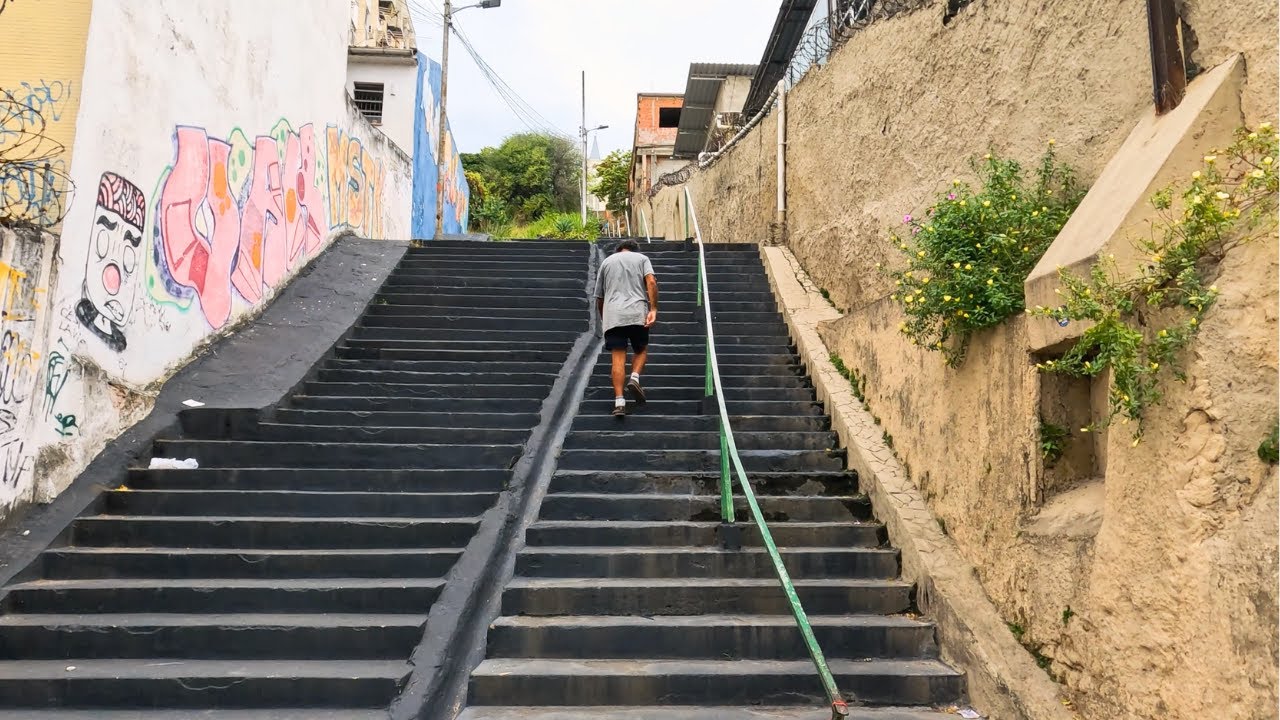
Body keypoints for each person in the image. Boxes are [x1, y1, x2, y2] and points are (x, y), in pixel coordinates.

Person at [595, 239, 658, 417]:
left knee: (618, 357)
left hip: (613, 315)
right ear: (634, 250)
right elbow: (651, 282)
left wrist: (604, 318)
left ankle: (620, 402)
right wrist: (653, 308)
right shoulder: (642, 258)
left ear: (618, 250)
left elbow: (599, 297)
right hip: (637, 312)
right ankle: (635, 378)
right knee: (641, 349)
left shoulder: (607, 262)